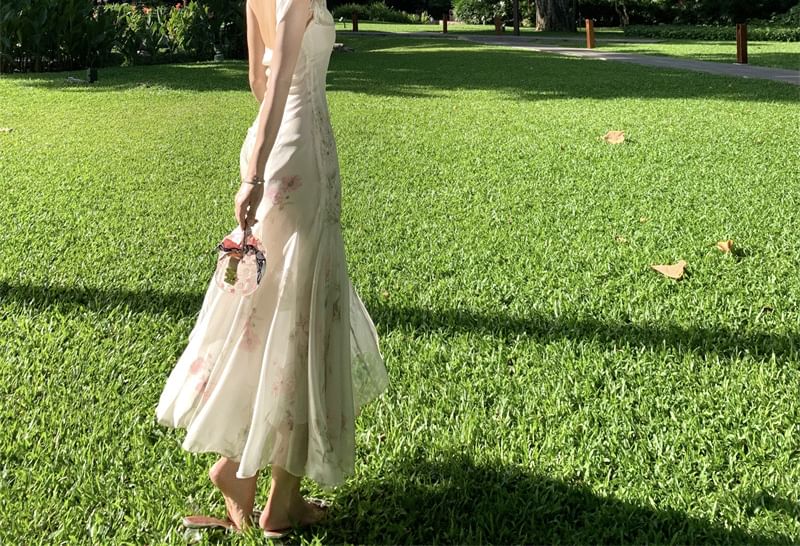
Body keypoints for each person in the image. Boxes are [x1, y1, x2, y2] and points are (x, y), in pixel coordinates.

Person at [154, 0, 389, 537]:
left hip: (283, 146)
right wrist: (255, 173)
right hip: (299, 153)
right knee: (301, 321)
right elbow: (278, 80)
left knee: (278, 314)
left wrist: (261, 158)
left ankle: (264, 485)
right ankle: (276, 499)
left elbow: (257, 81)